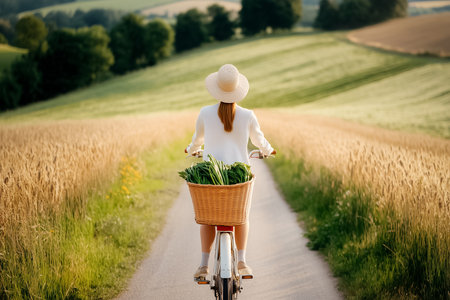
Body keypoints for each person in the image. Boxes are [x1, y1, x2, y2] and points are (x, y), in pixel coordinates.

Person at [185, 64, 275, 280]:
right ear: (237, 90)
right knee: (241, 216)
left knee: (207, 217)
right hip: (239, 175)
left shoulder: (205, 113)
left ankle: (203, 265)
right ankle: (242, 261)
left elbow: (197, 140)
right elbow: (259, 140)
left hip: (210, 175)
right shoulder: (247, 115)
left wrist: (192, 150)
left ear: (216, 88)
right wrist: (268, 150)